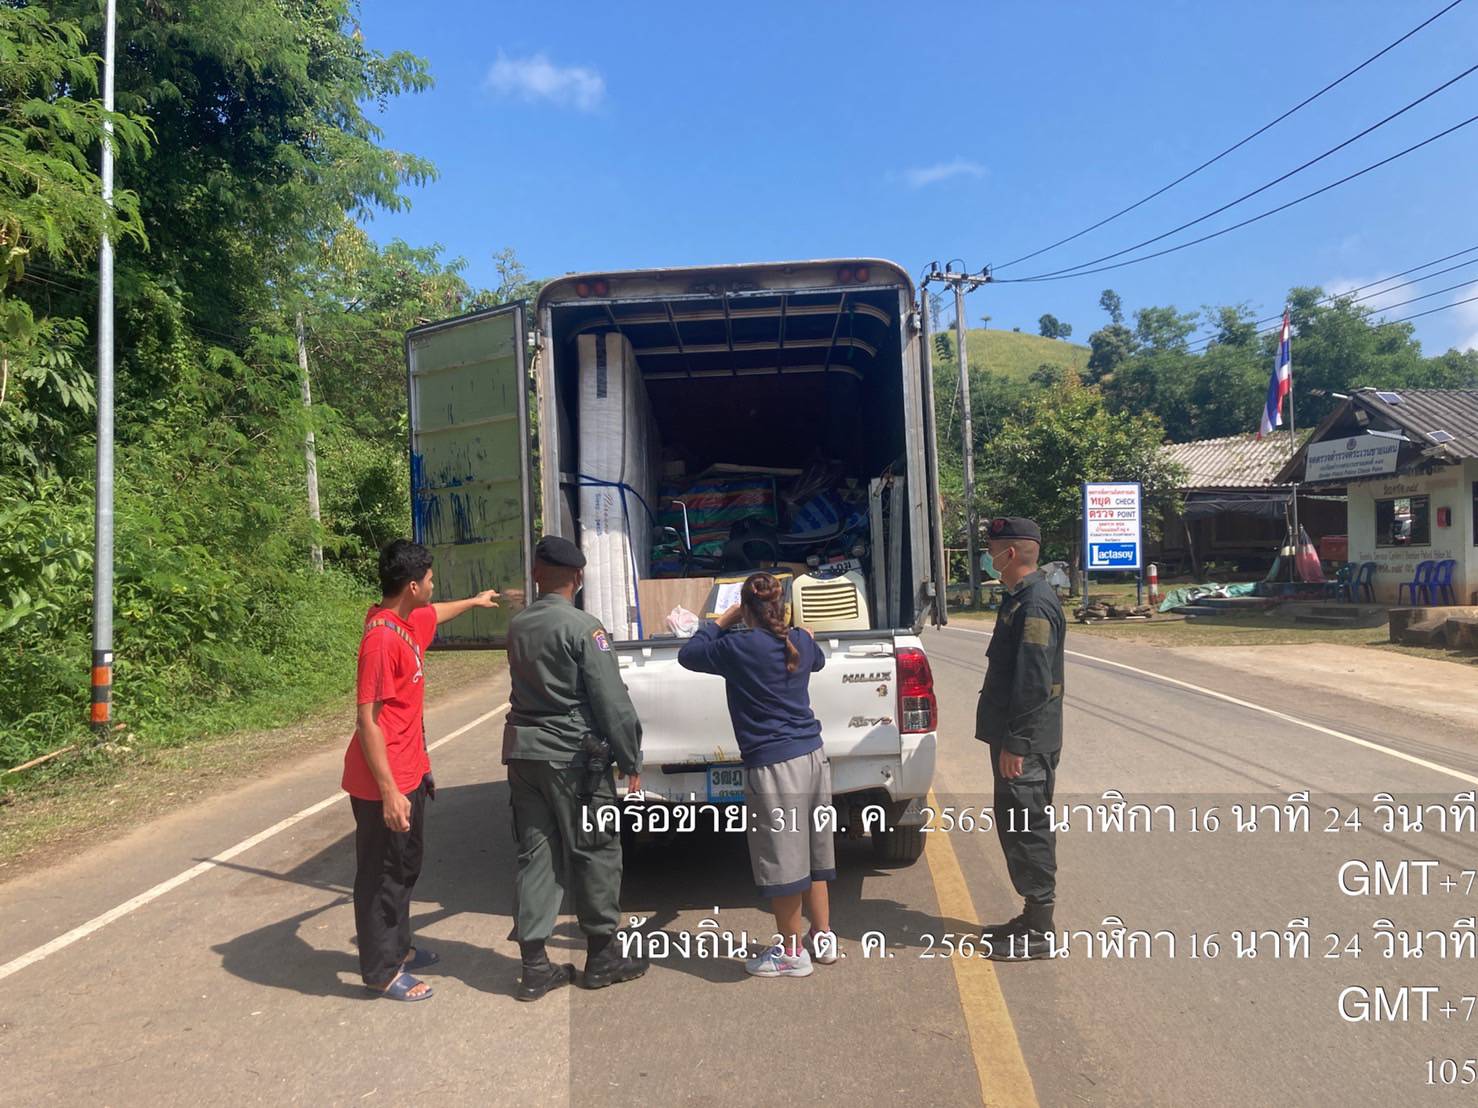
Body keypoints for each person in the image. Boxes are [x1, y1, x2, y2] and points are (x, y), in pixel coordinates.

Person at [344, 538, 499, 1001]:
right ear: (412, 586)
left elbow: (438, 613)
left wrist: (475, 601)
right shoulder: (381, 640)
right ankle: (381, 972)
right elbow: (368, 721)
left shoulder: (408, 622)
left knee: (405, 867)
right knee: (381, 877)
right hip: (382, 781)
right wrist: (389, 791)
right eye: (430, 580)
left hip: (410, 771)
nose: (434, 586)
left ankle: (399, 949)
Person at [503, 535, 647, 1001]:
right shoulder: (584, 629)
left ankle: (534, 967)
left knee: (535, 855)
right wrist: (630, 756)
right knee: (595, 851)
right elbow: (612, 701)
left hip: (524, 755)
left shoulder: (518, 625)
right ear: (579, 578)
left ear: (536, 575)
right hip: (574, 762)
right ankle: (602, 958)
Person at [678, 572, 836, 978]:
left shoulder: (737, 647)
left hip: (775, 766)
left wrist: (722, 620)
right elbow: (817, 658)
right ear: (781, 607)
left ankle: (791, 954)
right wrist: (804, 633)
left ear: (746, 608)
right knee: (814, 854)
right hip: (813, 758)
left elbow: (688, 654)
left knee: (784, 862)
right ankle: (822, 938)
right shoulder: (798, 640)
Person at [974, 516, 1066, 962]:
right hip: (1017, 737)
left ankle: (1040, 931)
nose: (988, 556)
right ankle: (1031, 917)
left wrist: (1017, 742)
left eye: (992, 549)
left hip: (1025, 742)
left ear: (1009, 553)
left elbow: (1033, 683)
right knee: (1015, 823)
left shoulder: (1035, 605)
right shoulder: (1021, 598)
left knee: (1028, 828)